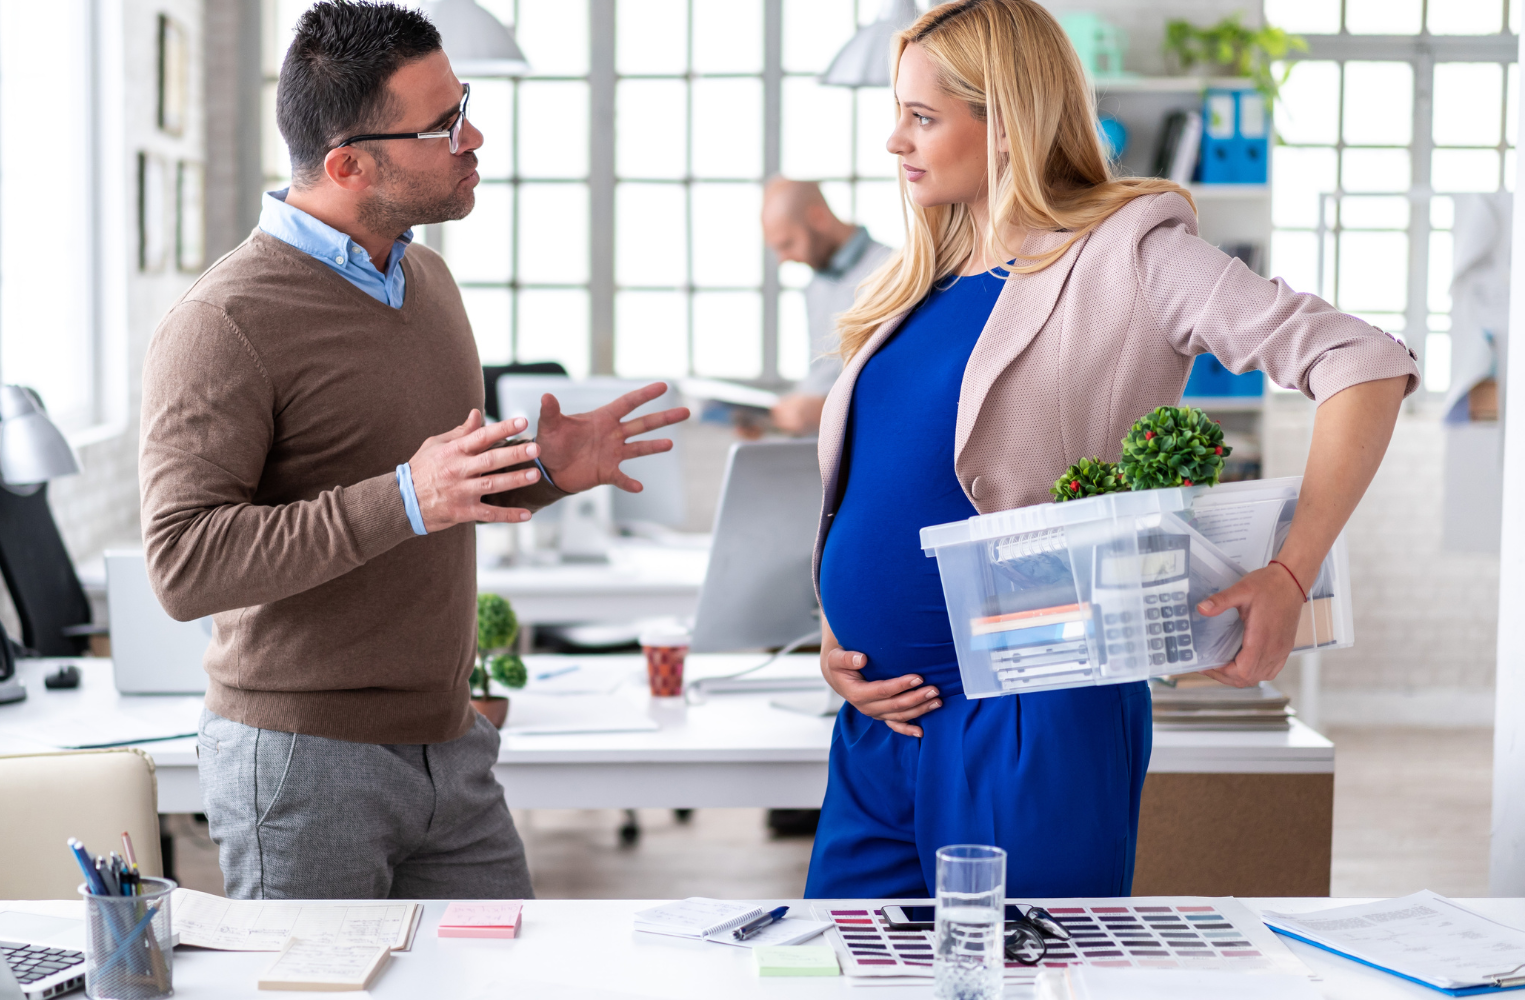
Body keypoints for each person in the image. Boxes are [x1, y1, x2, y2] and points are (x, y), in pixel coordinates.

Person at [807, 0, 1417, 899]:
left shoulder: (1131, 256)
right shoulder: (917, 278)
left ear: (1007, 121)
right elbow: (877, 483)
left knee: (1027, 982)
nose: (894, 142)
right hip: (883, 723)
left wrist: (1292, 572)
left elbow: (1362, 362)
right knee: (847, 973)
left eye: (923, 117)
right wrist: (838, 630)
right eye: (898, 113)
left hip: (1030, 714)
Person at [139, 1, 687, 901]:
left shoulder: (426, 279)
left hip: (453, 745)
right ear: (351, 163)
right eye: (441, 124)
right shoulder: (222, 322)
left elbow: (441, 494)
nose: (472, 134)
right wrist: (404, 495)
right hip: (302, 765)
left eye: (459, 102)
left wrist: (545, 472)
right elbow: (184, 564)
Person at [761, 178, 894, 436]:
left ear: (818, 217)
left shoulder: (892, 273)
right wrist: (774, 418)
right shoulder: (815, 286)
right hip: (815, 446)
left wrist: (823, 410)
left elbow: (897, 386)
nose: (782, 260)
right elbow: (823, 376)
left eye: (787, 244)